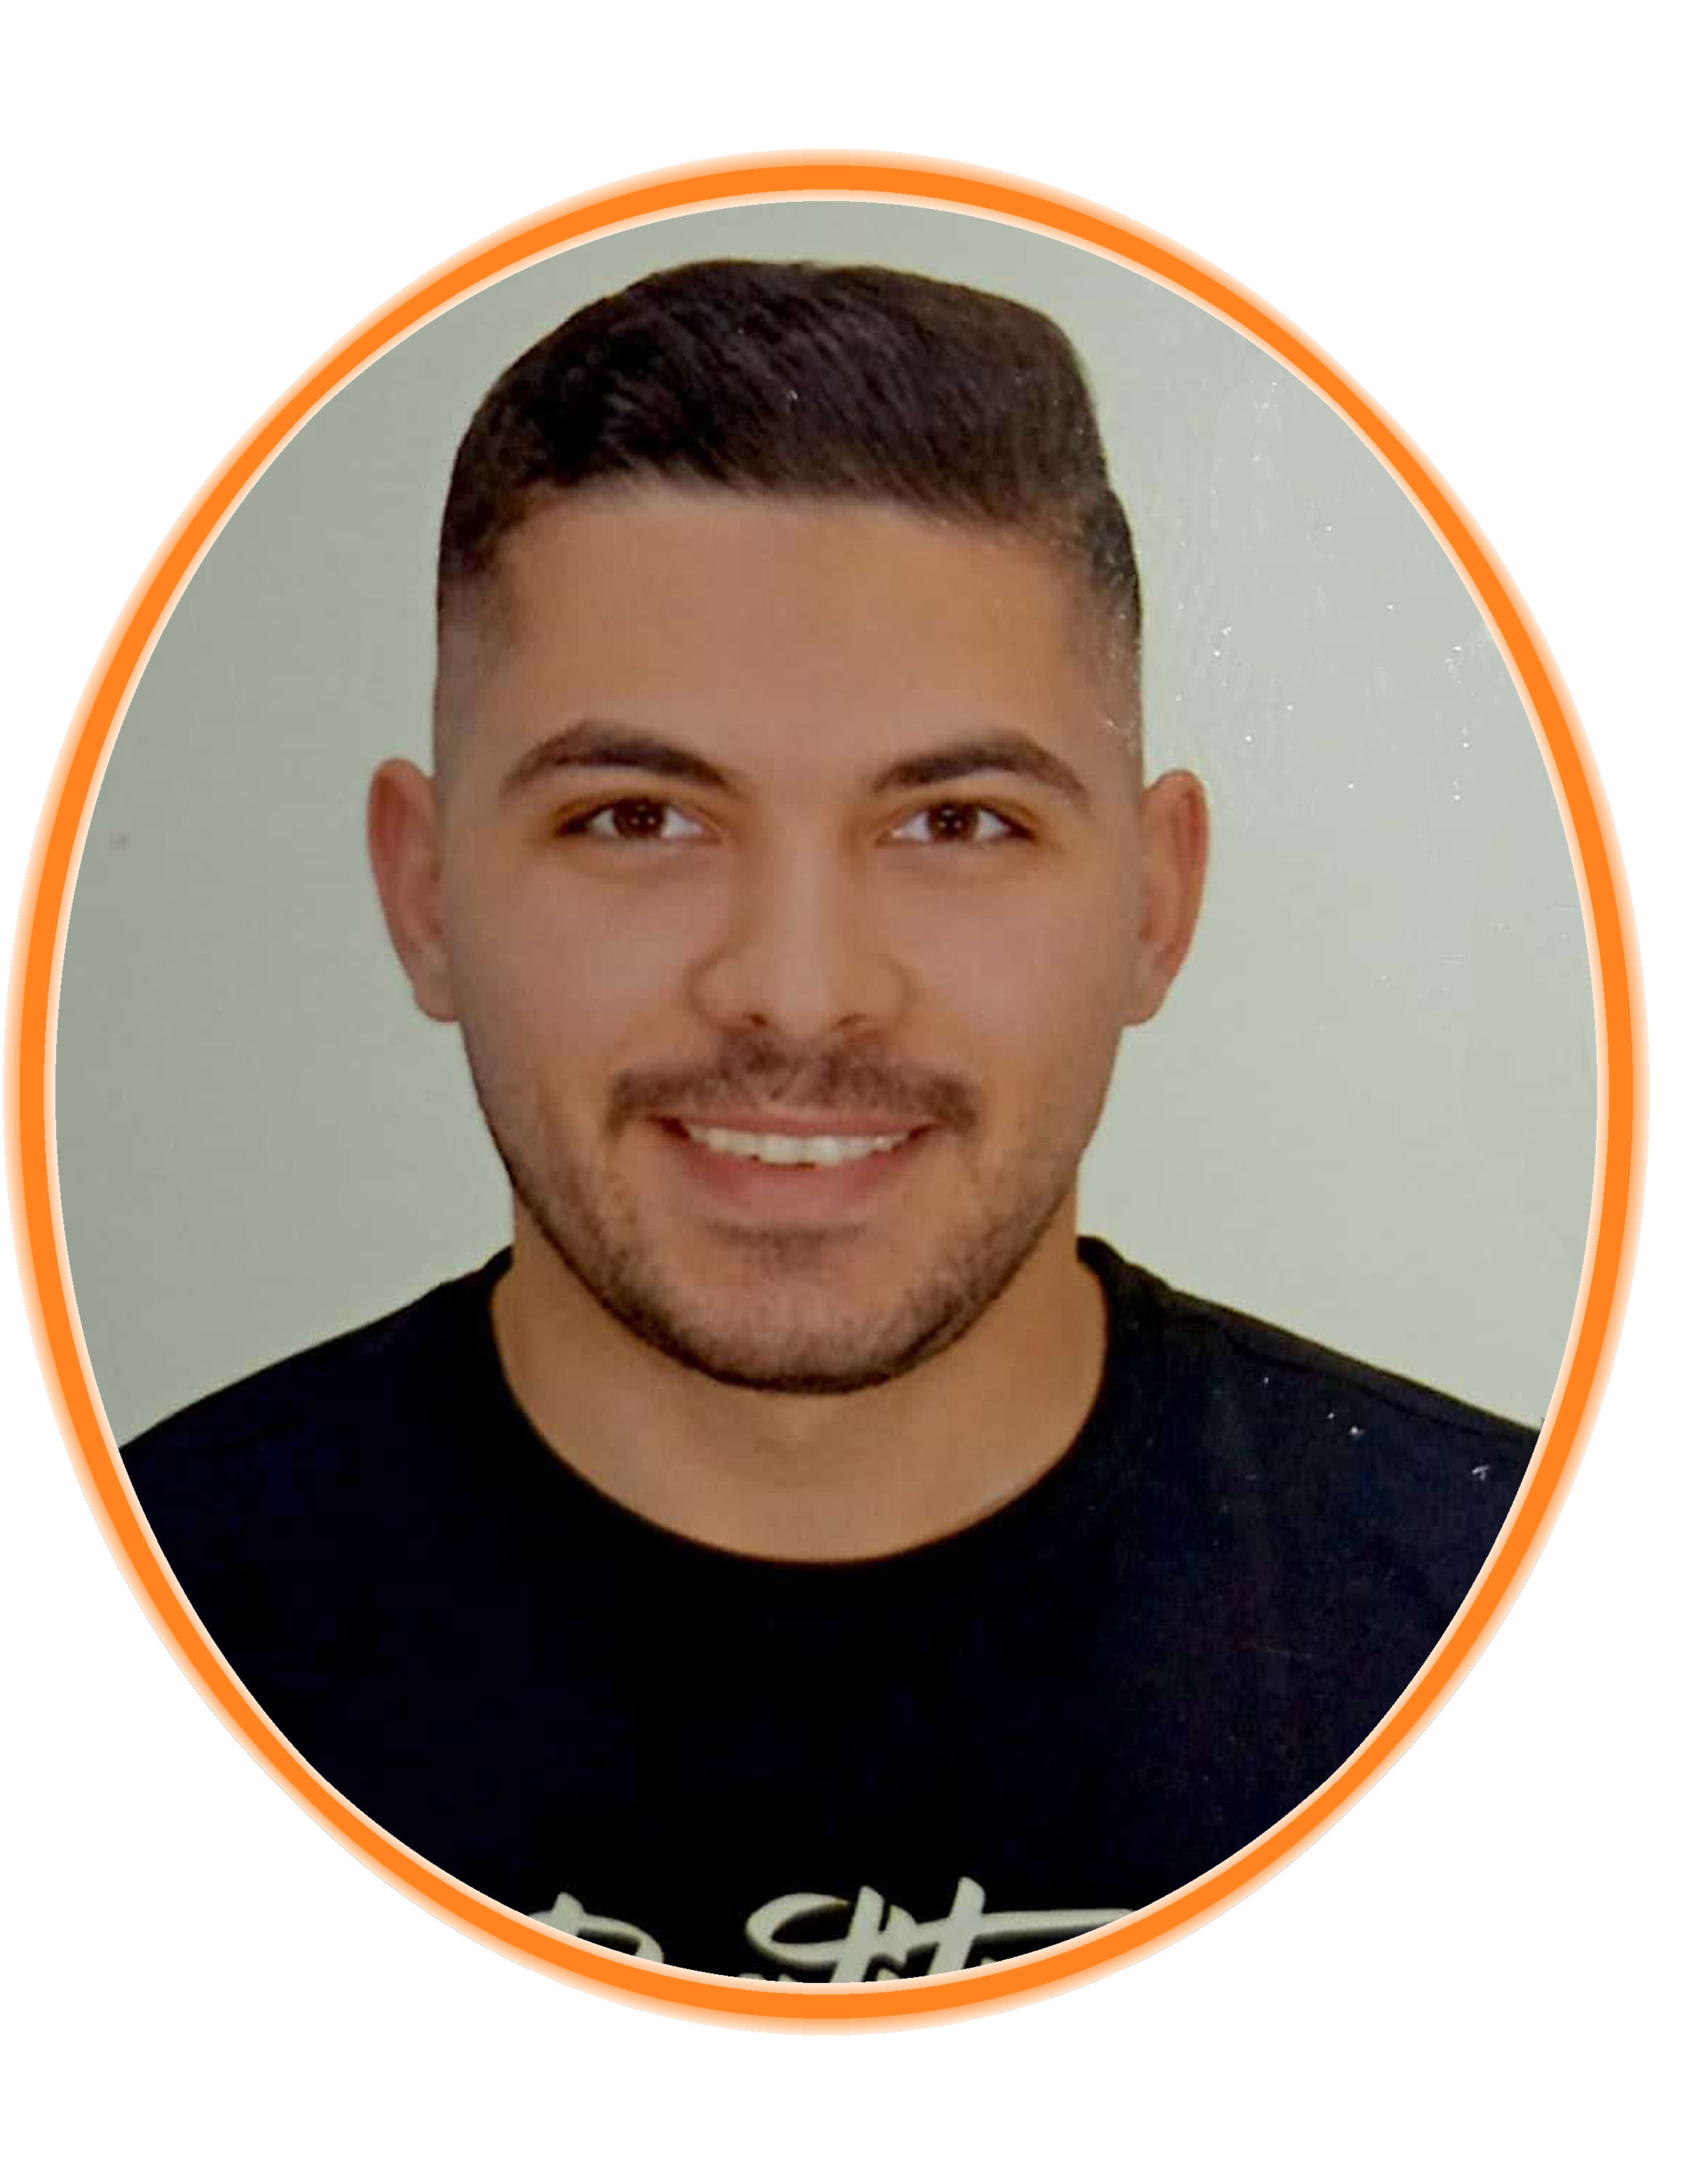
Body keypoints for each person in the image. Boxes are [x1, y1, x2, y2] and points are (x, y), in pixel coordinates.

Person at [124, 261, 1536, 1984]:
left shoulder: (1541, 1641)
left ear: (1156, 906)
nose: (797, 994)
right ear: (422, 898)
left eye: (958, 824)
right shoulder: (91, 1647)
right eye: (638, 819)